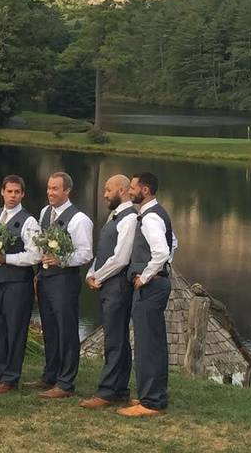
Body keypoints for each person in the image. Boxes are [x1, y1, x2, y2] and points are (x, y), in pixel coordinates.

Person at [118, 172, 176, 418]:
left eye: (133, 187)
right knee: (154, 343)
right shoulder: (158, 213)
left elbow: (161, 252)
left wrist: (145, 275)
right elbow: (174, 242)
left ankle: (150, 402)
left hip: (150, 288)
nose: (130, 191)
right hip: (157, 285)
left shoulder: (151, 217)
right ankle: (154, 395)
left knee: (147, 345)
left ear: (146, 190)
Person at [33, 171, 94, 398]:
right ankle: (50, 375)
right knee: (49, 329)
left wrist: (62, 260)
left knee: (66, 330)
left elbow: (86, 254)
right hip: (46, 278)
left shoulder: (80, 219)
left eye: (55, 188)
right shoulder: (44, 212)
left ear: (67, 191)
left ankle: (66, 383)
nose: (50, 192)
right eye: (49, 188)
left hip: (65, 280)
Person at [80, 174, 138, 409]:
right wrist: (89, 273)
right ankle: (120, 390)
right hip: (108, 284)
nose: (104, 194)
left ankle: (106, 392)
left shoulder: (130, 218)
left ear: (122, 191)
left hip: (118, 286)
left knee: (115, 340)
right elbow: (104, 251)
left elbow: (121, 258)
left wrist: (98, 276)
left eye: (108, 189)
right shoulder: (113, 216)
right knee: (117, 339)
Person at [0, 174, 41, 394]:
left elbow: (35, 255)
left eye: (17, 192)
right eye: (9, 191)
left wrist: (7, 259)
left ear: (23, 194)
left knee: (15, 330)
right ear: (2, 192)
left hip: (17, 284)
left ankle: (11, 377)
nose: (13, 196)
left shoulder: (29, 221)